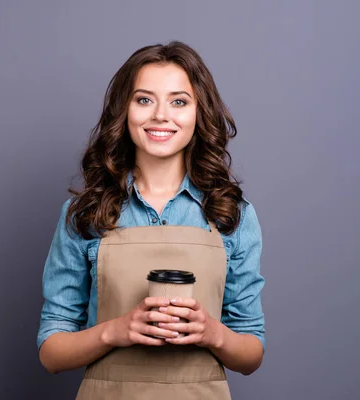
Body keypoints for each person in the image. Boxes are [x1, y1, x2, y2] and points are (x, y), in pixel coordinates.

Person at [37, 41, 265, 399]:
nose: (161, 115)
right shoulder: (86, 214)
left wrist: (211, 332)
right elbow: (51, 353)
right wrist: (117, 330)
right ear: (124, 111)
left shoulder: (231, 214)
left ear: (199, 113)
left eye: (179, 101)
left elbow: (251, 354)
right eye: (144, 99)